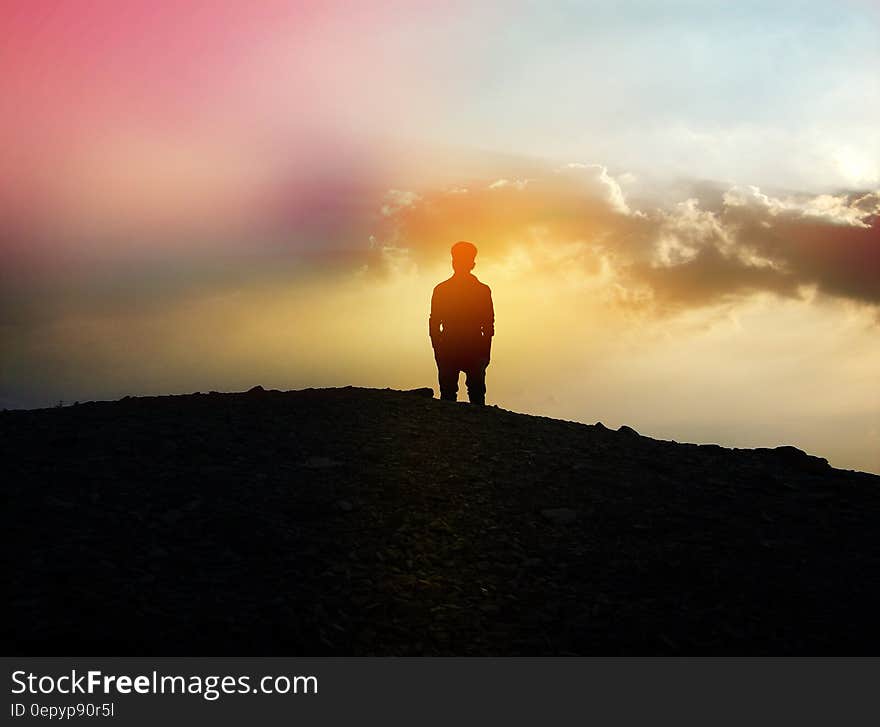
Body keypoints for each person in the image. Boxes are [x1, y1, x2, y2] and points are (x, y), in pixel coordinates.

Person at [429, 241, 494, 405]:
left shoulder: (442, 289)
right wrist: (438, 348)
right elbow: (434, 322)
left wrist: (438, 348)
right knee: (468, 393)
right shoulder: (481, 290)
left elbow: (488, 324)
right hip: (460, 346)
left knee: (464, 393)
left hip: (462, 346)